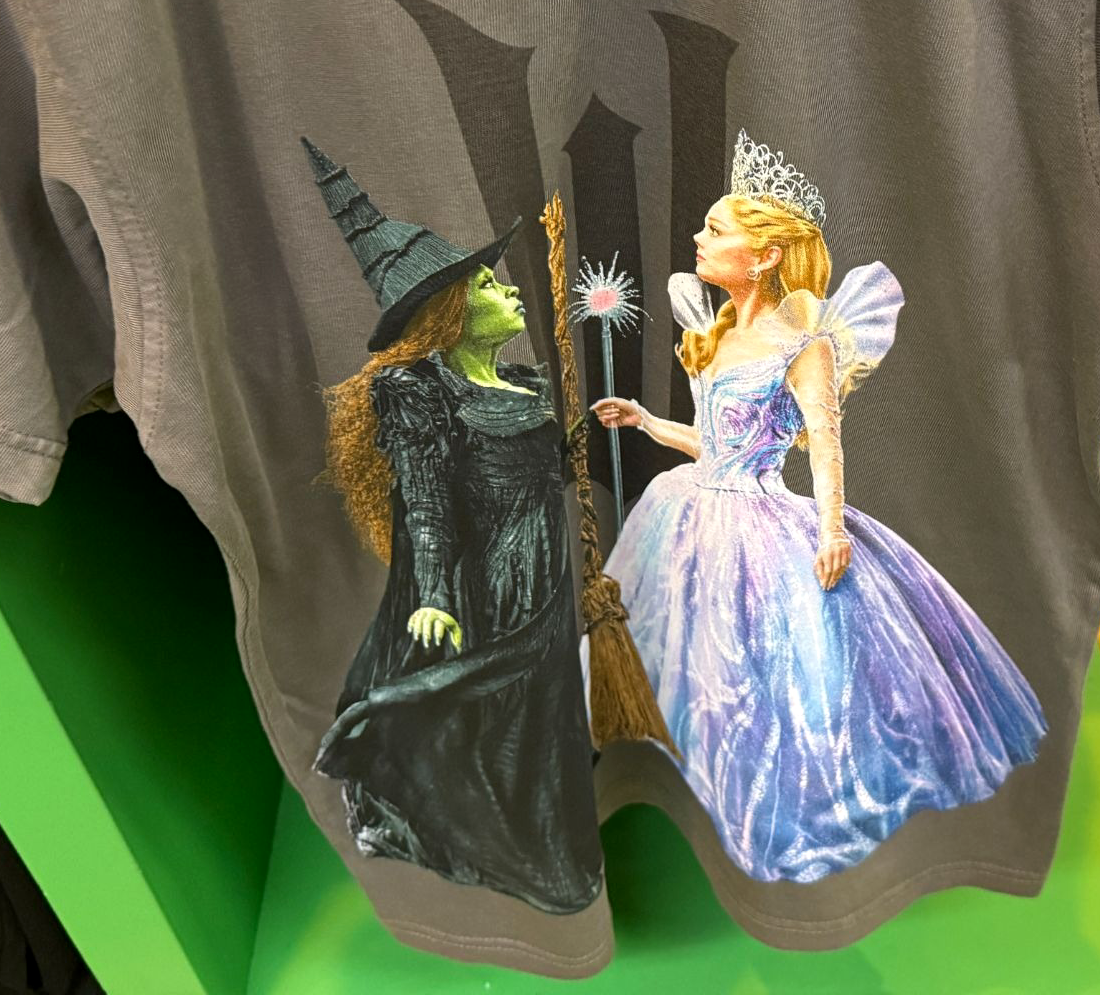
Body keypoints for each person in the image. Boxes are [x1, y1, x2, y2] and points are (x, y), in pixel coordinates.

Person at [592, 130, 1048, 884]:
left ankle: (761, 817)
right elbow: (715, 446)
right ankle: (675, 791)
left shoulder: (804, 344)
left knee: (767, 676)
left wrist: (833, 530)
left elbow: (824, 447)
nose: (699, 239)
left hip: (757, 524)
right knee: (686, 666)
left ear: (765, 255)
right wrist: (645, 422)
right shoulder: (717, 334)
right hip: (690, 512)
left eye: (715, 230)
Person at [300, 137, 602, 916]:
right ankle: (526, 863)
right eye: (490, 287)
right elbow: (427, 501)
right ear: (452, 314)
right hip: (492, 592)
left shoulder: (525, 383)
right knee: (495, 729)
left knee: (543, 722)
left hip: (547, 583)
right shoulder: (419, 393)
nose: (512, 291)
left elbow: (548, 476)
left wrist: (582, 433)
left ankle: (557, 852)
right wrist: (434, 595)